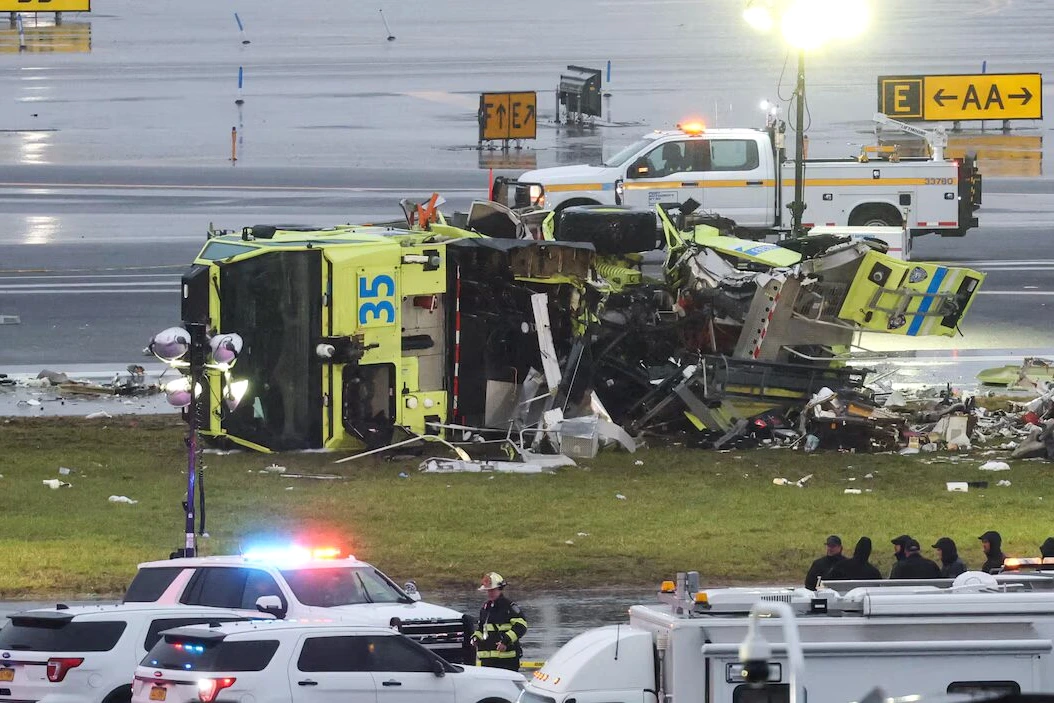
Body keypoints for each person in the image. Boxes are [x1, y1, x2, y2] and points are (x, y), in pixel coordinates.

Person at [472, 572, 528, 670]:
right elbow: (482, 628)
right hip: (487, 662)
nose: (490, 593)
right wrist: (476, 638)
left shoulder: (509, 607)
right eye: (488, 591)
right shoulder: (485, 608)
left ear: (500, 589)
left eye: (493, 590)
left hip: (507, 662)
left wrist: (505, 641)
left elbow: (521, 626)